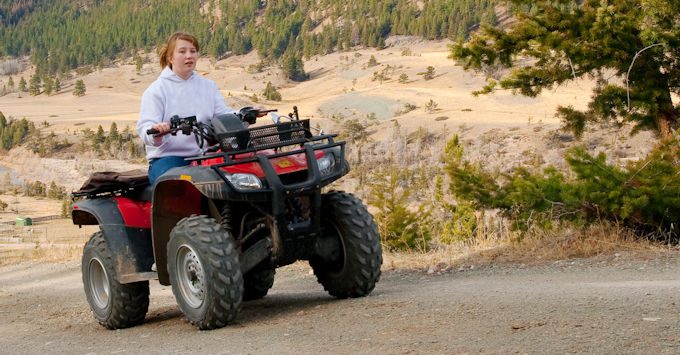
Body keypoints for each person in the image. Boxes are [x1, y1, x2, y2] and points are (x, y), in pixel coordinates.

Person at [136, 32, 236, 184]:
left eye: (193, 51)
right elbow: (145, 128)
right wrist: (157, 130)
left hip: (206, 154)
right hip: (169, 158)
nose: (189, 56)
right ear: (170, 58)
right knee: (175, 188)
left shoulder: (208, 86)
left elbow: (223, 115)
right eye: (182, 51)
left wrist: (244, 114)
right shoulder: (157, 90)